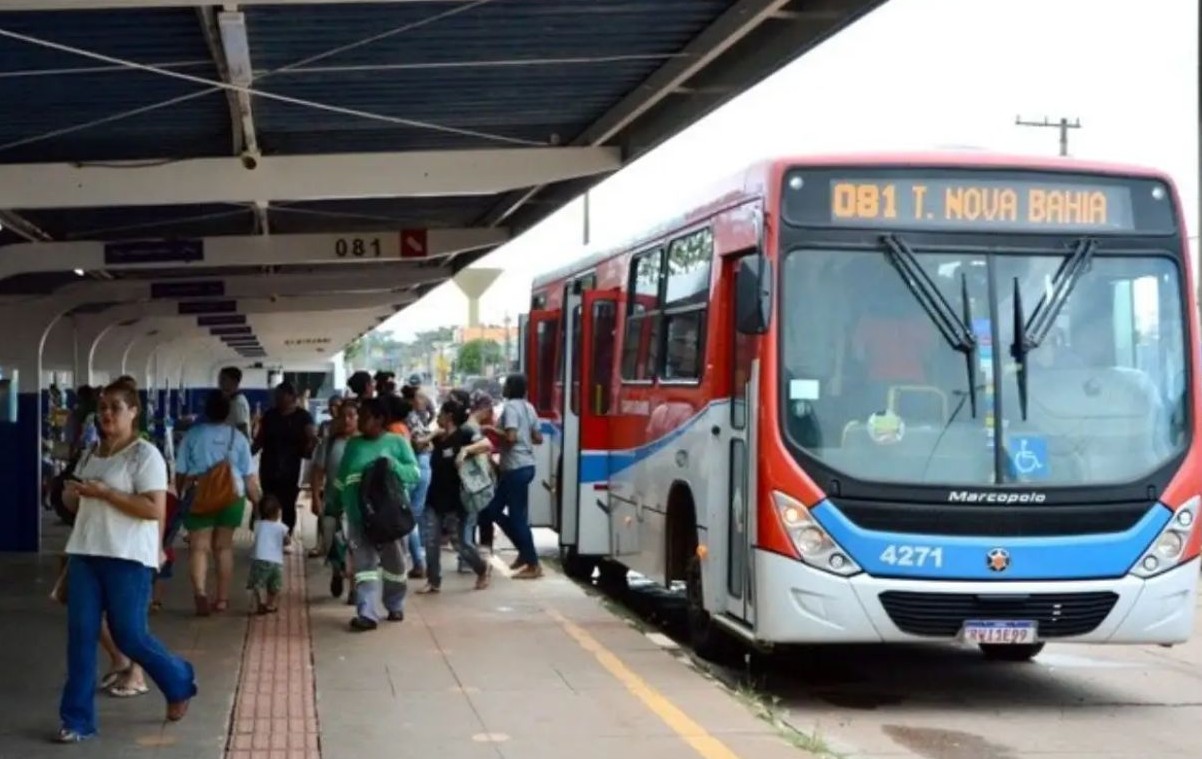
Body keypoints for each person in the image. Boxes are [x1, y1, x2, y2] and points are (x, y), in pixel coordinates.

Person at [56, 380, 196, 743]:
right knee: (81, 636)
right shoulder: (91, 454)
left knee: (130, 635)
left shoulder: (145, 456)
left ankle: (178, 680)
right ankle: (77, 719)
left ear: (133, 411)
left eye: (115, 407)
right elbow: (77, 506)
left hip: (128, 557)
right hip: (87, 551)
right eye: (102, 407)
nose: (106, 414)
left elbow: (154, 508)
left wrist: (107, 493)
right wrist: (73, 495)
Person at [331, 398, 419, 631]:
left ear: (380, 419)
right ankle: (367, 613)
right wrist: (333, 506)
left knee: (395, 564)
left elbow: (414, 473)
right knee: (364, 567)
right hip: (360, 517)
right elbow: (341, 479)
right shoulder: (353, 445)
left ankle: (394, 604)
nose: (359, 420)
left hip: (391, 518)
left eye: (364, 416)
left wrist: (394, 466)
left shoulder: (397, 443)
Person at [176, 390, 261, 616]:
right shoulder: (239, 438)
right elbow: (249, 476)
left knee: (199, 547)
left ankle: (201, 594)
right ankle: (222, 599)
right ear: (228, 412)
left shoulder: (192, 435)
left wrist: (180, 493)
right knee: (224, 547)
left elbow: (181, 470)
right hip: (231, 497)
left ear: (206, 410)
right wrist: (258, 502)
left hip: (200, 494)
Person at [418, 400, 492, 593]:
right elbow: (418, 443)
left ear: (449, 416)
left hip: (459, 500)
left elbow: (486, 443)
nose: (437, 417)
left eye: (441, 413)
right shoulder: (439, 437)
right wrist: (431, 435)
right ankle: (433, 581)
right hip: (435, 498)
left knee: (461, 543)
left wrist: (465, 451)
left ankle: (482, 568)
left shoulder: (465, 434)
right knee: (431, 541)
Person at [481, 374, 543, 579]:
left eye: (506, 384)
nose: (503, 388)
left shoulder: (511, 408)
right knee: (501, 512)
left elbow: (511, 437)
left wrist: (491, 429)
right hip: (527, 466)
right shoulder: (529, 407)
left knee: (511, 516)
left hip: (515, 467)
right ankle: (525, 553)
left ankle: (532, 563)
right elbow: (538, 437)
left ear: (512, 387)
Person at [252, 382, 317, 550]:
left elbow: (311, 438)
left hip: (292, 468)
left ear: (292, 398)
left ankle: (286, 536)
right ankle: (268, 537)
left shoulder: (304, 417)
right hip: (269, 467)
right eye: (276, 396)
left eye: (281, 397)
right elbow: (260, 439)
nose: (277, 399)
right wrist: (248, 453)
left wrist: (311, 443)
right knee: (268, 503)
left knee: (288, 504)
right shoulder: (270, 415)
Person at [310, 400, 358, 598]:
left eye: (351, 416)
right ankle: (337, 572)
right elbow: (318, 472)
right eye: (343, 416)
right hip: (332, 503)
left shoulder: (363, 443)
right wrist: (315, 497)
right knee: (332, 544)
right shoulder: (329, 444)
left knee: (355, 546)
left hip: (355, 506)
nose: (347, 420)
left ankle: (354, 588)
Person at [248, 495, 288, 614]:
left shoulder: (257, 525)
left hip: (259, 558)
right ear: (278, 512)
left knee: (258, 583)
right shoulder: (281, 527)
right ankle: (271, 604)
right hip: (276, 561)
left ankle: (260, 602)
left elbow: (254, 522)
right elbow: (287, 541)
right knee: (274, 584)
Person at [218, 367, 251, 438]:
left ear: (234, 382)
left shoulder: (238, 402)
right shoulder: (230, 400)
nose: (220, 382)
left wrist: (244, 447)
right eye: (220, 379)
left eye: (224, 379)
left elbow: (242, 428)